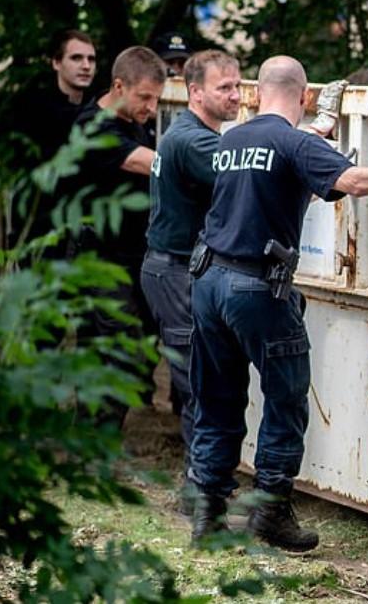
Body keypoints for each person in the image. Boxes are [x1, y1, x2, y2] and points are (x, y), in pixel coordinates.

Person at [187, 56, 368, 552]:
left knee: (218, 399)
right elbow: (353, 182)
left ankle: (207, 514)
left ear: (255, 93)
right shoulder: (294, 143)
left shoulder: (232, 140)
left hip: (207, 282)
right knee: (285, 399)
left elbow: (271, 190)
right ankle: (268, 512)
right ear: (305, 95)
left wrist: (318, 156)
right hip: (254, 289)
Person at [139, 50, 241, 502]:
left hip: (177, 269)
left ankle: (203, 485)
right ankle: (199, 492)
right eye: (225, 88)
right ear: (195, 92)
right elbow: (248, 172)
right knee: (197, 386)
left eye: (239, 86)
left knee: (200, 383)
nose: (236, 95)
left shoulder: (189, 133)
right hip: (175, 271)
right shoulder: (195, 142)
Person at [73, 46, 167, 423]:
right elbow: (146, 163)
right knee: (118, 345)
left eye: (157, 99)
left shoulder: (134, 122)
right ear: (118, 85)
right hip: (99, 256)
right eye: (145, 97)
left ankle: (93, 432)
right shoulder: (93, 126)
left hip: (134, 254)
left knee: (132, 344)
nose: (151, 107)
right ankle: (97, 437)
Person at [8, 30, 98, 243]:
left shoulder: (96, 109)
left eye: (91, 59)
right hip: (41, 231)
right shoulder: (32, 109)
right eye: (76, 58)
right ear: (56, 63)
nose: (86, 65)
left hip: (83, 231)